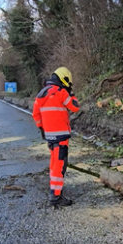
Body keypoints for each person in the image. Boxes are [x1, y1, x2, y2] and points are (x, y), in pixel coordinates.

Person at [32, 67, 80, 206]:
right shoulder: (61, 92)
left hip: (50, 137)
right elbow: (75, 107)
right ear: (64, 79)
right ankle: (55, 196)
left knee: (54, 164)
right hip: (61, 137)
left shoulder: (41, 94)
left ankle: (54, 189)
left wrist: (43, 128)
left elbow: (35, 115)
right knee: (60, 165)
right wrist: (72, 94)